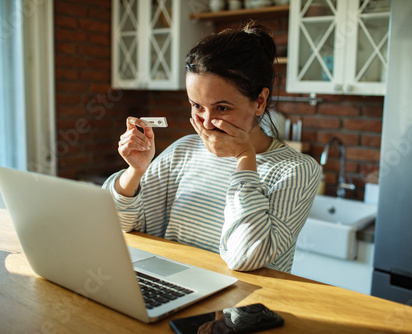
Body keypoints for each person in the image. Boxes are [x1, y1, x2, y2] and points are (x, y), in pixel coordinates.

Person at [103, 21, 320, 273]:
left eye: (222, 108)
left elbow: (246, 258)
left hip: (242, 308)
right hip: (176, 291)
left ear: (259, 102)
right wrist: (136, 172)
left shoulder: (297, 170)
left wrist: (244, 157)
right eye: (197, 106)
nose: (206, 122)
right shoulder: (184, 151)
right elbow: (117, 223)